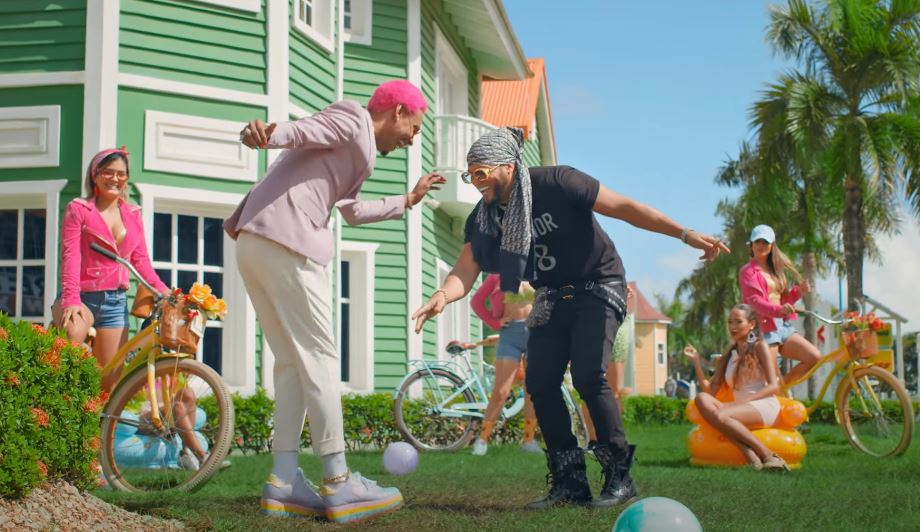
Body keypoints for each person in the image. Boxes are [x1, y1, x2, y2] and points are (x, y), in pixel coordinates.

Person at [411, 127, 728, 509]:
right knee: (541, 383)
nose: (476, 183)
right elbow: (467, 266)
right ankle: (569, 482)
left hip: (598, 284)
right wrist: (443, 295)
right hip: (551, 295)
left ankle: (619, 476)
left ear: (508, 166)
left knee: (589, 375)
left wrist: (683, 233)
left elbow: (625, 208)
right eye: (470, 175)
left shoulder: (559, 182)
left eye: (481, 173)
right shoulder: (485, 216)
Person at [224, 80, 446, 523]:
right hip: (287, 241)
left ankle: (284, 480)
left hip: (256, 241)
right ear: (399, 111)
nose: (412, 139)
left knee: (292, 363)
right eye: (415, 127)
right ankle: (339, 481)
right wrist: (266, 134)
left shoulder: (357, 150)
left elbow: (351, 212)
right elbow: (305, 130)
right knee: (321, 358)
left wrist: (409, 199)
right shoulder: (353, 118)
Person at [51, 148, 206, 470]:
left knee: (107, 384)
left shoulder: (132, 214)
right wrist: (71, 299)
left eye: (121, 173)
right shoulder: (79, 209)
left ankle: (91, 456)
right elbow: (71, 255)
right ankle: (57, 414)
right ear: (95, 175)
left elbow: (141, 262)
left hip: (114, 302)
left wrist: (164, 292)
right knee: (73, 337)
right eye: (108, 172)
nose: (115, 178)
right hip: (82, 295)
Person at [684, 304, 790, 471]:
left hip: (763, 405)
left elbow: (773, 387)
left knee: (720, 415)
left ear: (751, 324)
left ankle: (769, 456)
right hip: (737, 409)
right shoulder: (729, 355)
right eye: (730, 322)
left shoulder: (760, 346)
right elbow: (710, 392)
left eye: (738, 322)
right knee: (701, 399)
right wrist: (696, 361)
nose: (732, 327)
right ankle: (747, 451)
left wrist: (742, 403)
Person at [738, 225, 820, 388]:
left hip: (782, 326)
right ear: (751, 245)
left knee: (813, 357)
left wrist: (798, 292)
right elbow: (755, 302)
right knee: (769, 379)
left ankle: (780, 390)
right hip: (763, 329)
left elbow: (782, 300)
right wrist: (778, 311)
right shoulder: (747, 272)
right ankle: (772, 393)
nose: (761, 245)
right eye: (757, 241)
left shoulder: (776, 271)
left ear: (772, 245)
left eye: (765, 242)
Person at [469, 274, 539, 455]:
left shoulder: (537, 271)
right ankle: (482, 440)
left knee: (532, 390)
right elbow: (476, 302)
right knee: (501, 392)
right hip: (510, 334)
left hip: (535, 333)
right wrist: (494, 322)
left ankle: (529, 441)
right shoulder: (497, 275)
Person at [583, 287, 634, 451]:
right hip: (592, 324)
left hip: (617, 324)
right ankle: (593, 440)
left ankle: (613, 440)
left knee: (615, 391)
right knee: (589, 388)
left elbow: (627, 293)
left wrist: (624, 292)